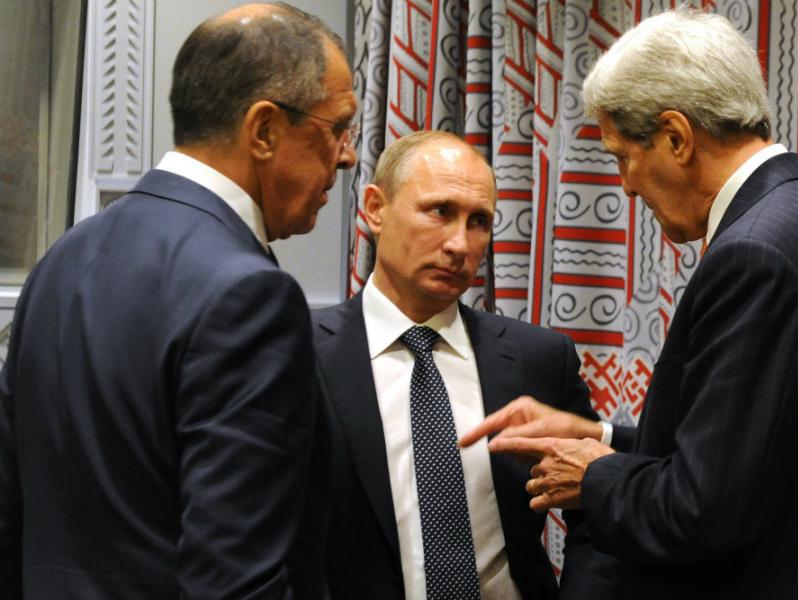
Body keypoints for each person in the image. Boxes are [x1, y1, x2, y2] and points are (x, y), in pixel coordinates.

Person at [460, 8, 798, 599]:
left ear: (676, 137)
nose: (626, 185)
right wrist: (599, 435)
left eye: (622, 155)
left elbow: (702, 511)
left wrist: (592, 476)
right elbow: (752, 454)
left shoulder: (756, 255)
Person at [0, 3, 357, 598]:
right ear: (265, 130)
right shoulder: (249, 295)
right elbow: (237, 579)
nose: (347, 155)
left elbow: (11, 515)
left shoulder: (63, 260)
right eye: (337, 127)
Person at [312, 130, 600, 600]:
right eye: (440, 212)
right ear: (375, 209)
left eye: (479, 221)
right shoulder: (300, 355)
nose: (459, 244)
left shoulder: (540, 359)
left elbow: (595, 505)